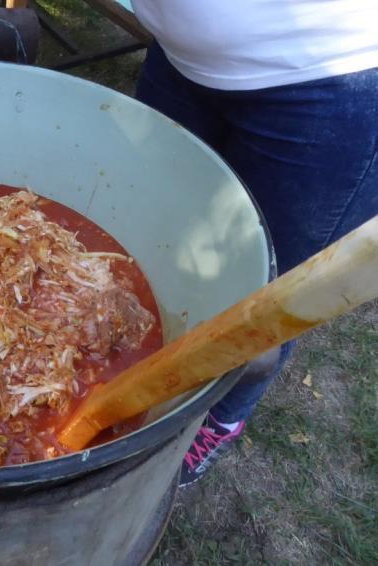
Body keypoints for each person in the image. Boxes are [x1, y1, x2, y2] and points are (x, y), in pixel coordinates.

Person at [129, 0, 378, 485]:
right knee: (154, 239)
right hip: (180, 57)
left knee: (266, 297)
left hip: (329, 79)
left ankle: (221, 417)